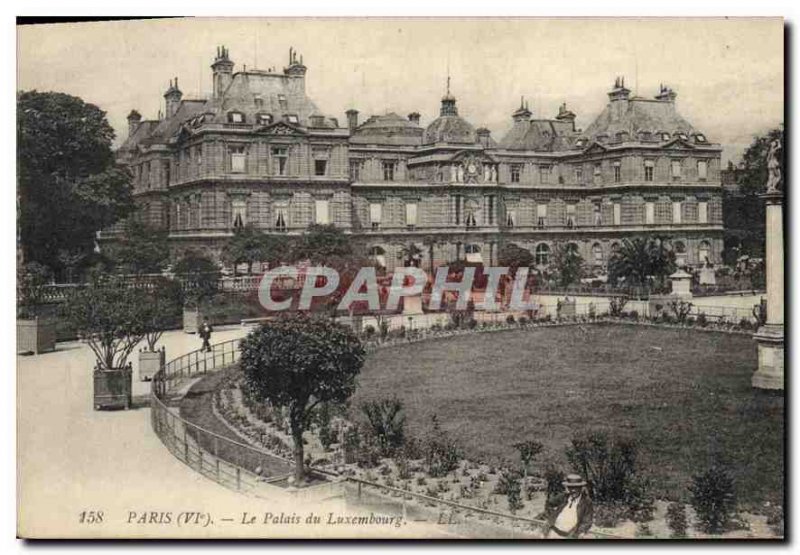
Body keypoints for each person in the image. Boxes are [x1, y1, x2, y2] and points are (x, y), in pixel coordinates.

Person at [546, 474, 594, 539]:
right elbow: (549, 503)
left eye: (575, 487)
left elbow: (587, 521)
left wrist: (580, 532)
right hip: (554, 531)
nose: (573, 490)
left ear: (580, 488)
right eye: (570, 487)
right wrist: (551, 515)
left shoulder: (586, 502)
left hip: (570, 535)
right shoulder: (563, 497)